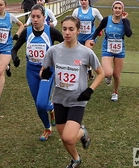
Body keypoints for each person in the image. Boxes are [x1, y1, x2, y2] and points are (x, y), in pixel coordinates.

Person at [40, 16, 104, 168]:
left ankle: (82, 132)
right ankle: (76, 159)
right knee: (64, 138)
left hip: (77, 100)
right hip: (59, 99)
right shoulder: (53, 51)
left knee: (69, 138)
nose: (67, 32)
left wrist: (90, 90)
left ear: (78, 31)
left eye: (71, 29)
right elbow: (43, 71)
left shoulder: (86, 53)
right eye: (64, 29)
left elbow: (101, 73)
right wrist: (44, 74)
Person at [12, 4, 63, 141]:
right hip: (32, 71)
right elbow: (14, 49)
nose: (35, 19)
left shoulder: (51, 31)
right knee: (38, 104)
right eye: (32, 16)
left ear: (44, 18)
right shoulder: (27, 32)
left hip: (47, 71)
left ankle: (50, 107)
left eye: (38, 17)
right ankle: (47, 127)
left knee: (41, 103)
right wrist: (15, 57)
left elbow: (65, 44)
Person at [88, 1, 132, 102]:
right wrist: (92, 39)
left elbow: (129, 34)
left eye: (119, 8)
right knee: (107, 73)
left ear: (122, 10)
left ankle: (115, 92)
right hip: (107, 49)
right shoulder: (106, 20)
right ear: (112, 9)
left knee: (116, 75)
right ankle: (108, 77)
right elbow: (98, 29)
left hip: (120, 51)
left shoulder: (125, 21)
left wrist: (124, 20)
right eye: (115, 8)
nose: (117, 10)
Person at [72, 0, 103, 80]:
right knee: (81, 55)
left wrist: (100, 29)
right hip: (79, 37)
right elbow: (71, 22)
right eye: (81, 0)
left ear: (88, 1)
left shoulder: (94, 11)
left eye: (85, 0)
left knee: (85, 53)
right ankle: (89, 69)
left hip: (91, 36)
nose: (83, 2)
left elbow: (102, 20)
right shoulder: (76, 11)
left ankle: (83, 72)